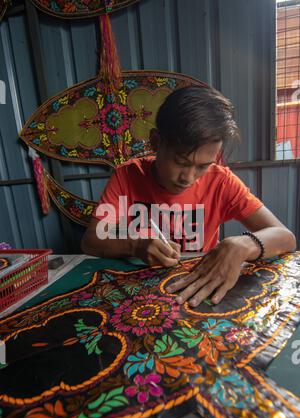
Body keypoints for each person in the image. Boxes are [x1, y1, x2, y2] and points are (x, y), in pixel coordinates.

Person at [81, 85, 296, 307]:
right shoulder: (128, 175)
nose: (189, 177)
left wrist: (243, 245)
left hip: (198, 293)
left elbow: (285, 237)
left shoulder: (220, 181)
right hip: (138, 297)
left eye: (203, 166)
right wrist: (135, 244)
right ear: (156, 142)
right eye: (181, 162)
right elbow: (91, 241)